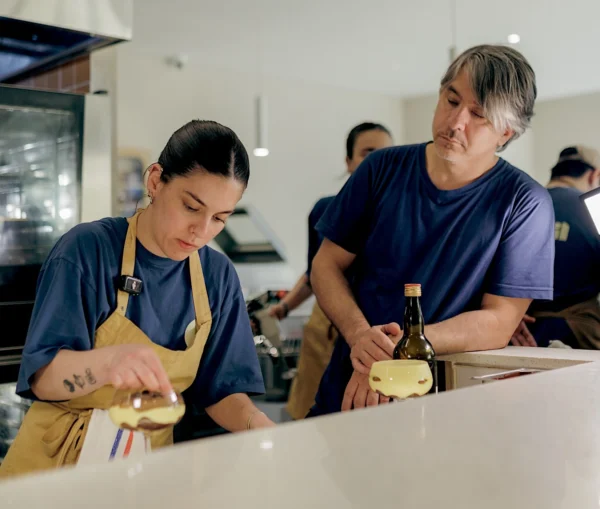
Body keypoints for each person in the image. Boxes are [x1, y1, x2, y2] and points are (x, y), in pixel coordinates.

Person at [0, 120, 274, 478]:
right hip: (56, 467)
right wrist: (109, 362)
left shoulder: (216, 276)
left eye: (219, 219)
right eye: (191, 207)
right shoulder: (87, 250)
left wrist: (260, 427)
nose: (202, 231)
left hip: (145, 469)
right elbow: (43, 379)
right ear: (155, 181)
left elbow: (222, 390)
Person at [308, 44, 556, 416]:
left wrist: (403, 346)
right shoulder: (380, 169)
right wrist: (362, 337)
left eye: (478, 115)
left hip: (450, 400)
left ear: (506, 132)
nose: (455, 122)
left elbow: (499, 320)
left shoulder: (524, 203)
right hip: (351, 386)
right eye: (451, 100)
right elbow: (326, 265)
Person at [268, 123, 393, 420]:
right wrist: (284, 308)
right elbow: (317, 272)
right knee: (312, 414)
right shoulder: (325, 209)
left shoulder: (398, 214)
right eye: (368, 153)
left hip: (378, 330)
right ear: (348, 162)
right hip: (326, 327)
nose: (377, 161)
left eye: (386, 154)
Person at [511, 146, 600, 349]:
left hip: (517, 334)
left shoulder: (520, 205)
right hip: (579, 334)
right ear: (595, 175)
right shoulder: (594, 208)